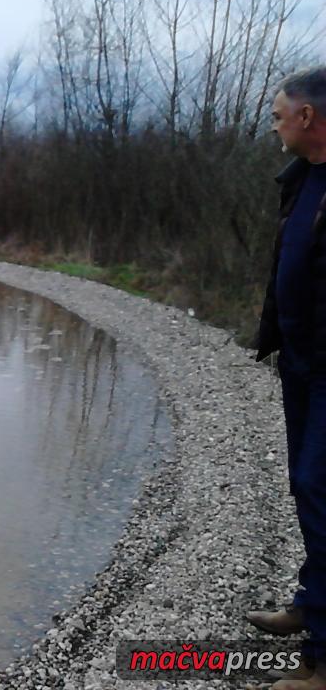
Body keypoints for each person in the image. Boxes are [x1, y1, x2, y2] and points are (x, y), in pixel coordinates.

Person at [248, 66, 326, 690]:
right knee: (307, 490)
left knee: (321, 489)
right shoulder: (301, 178)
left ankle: (321, 662)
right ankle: (312, 603)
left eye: (279, 113)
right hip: (300, 362)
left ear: (308, 117)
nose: (274, 123)